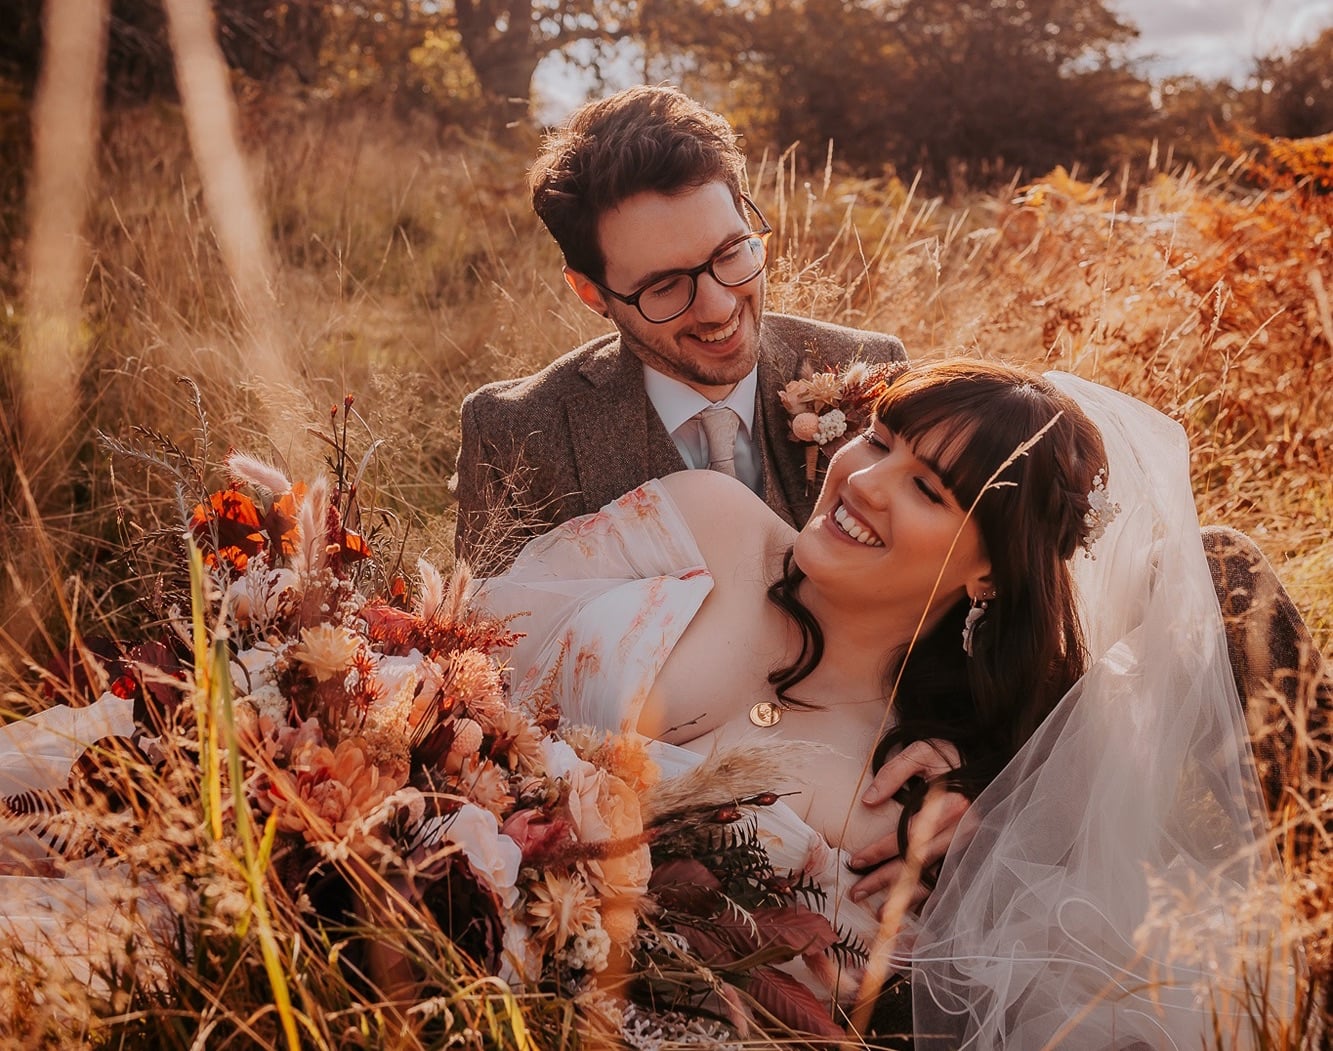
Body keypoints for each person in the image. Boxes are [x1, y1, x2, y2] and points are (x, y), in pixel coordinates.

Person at [476, 358, 1288, 1047]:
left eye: (926, 489)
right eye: (876, 440)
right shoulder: (707, 518)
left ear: (990, 576)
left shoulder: (898, 804)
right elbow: (478, 632)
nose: (861, 481)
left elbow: (792, 999)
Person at [453, 84, 906, 575]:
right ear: (591, 293)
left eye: (731, 253)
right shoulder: (512, 434)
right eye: (664, 286)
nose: (718, 307)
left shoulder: (875, 369)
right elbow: (491, 641)